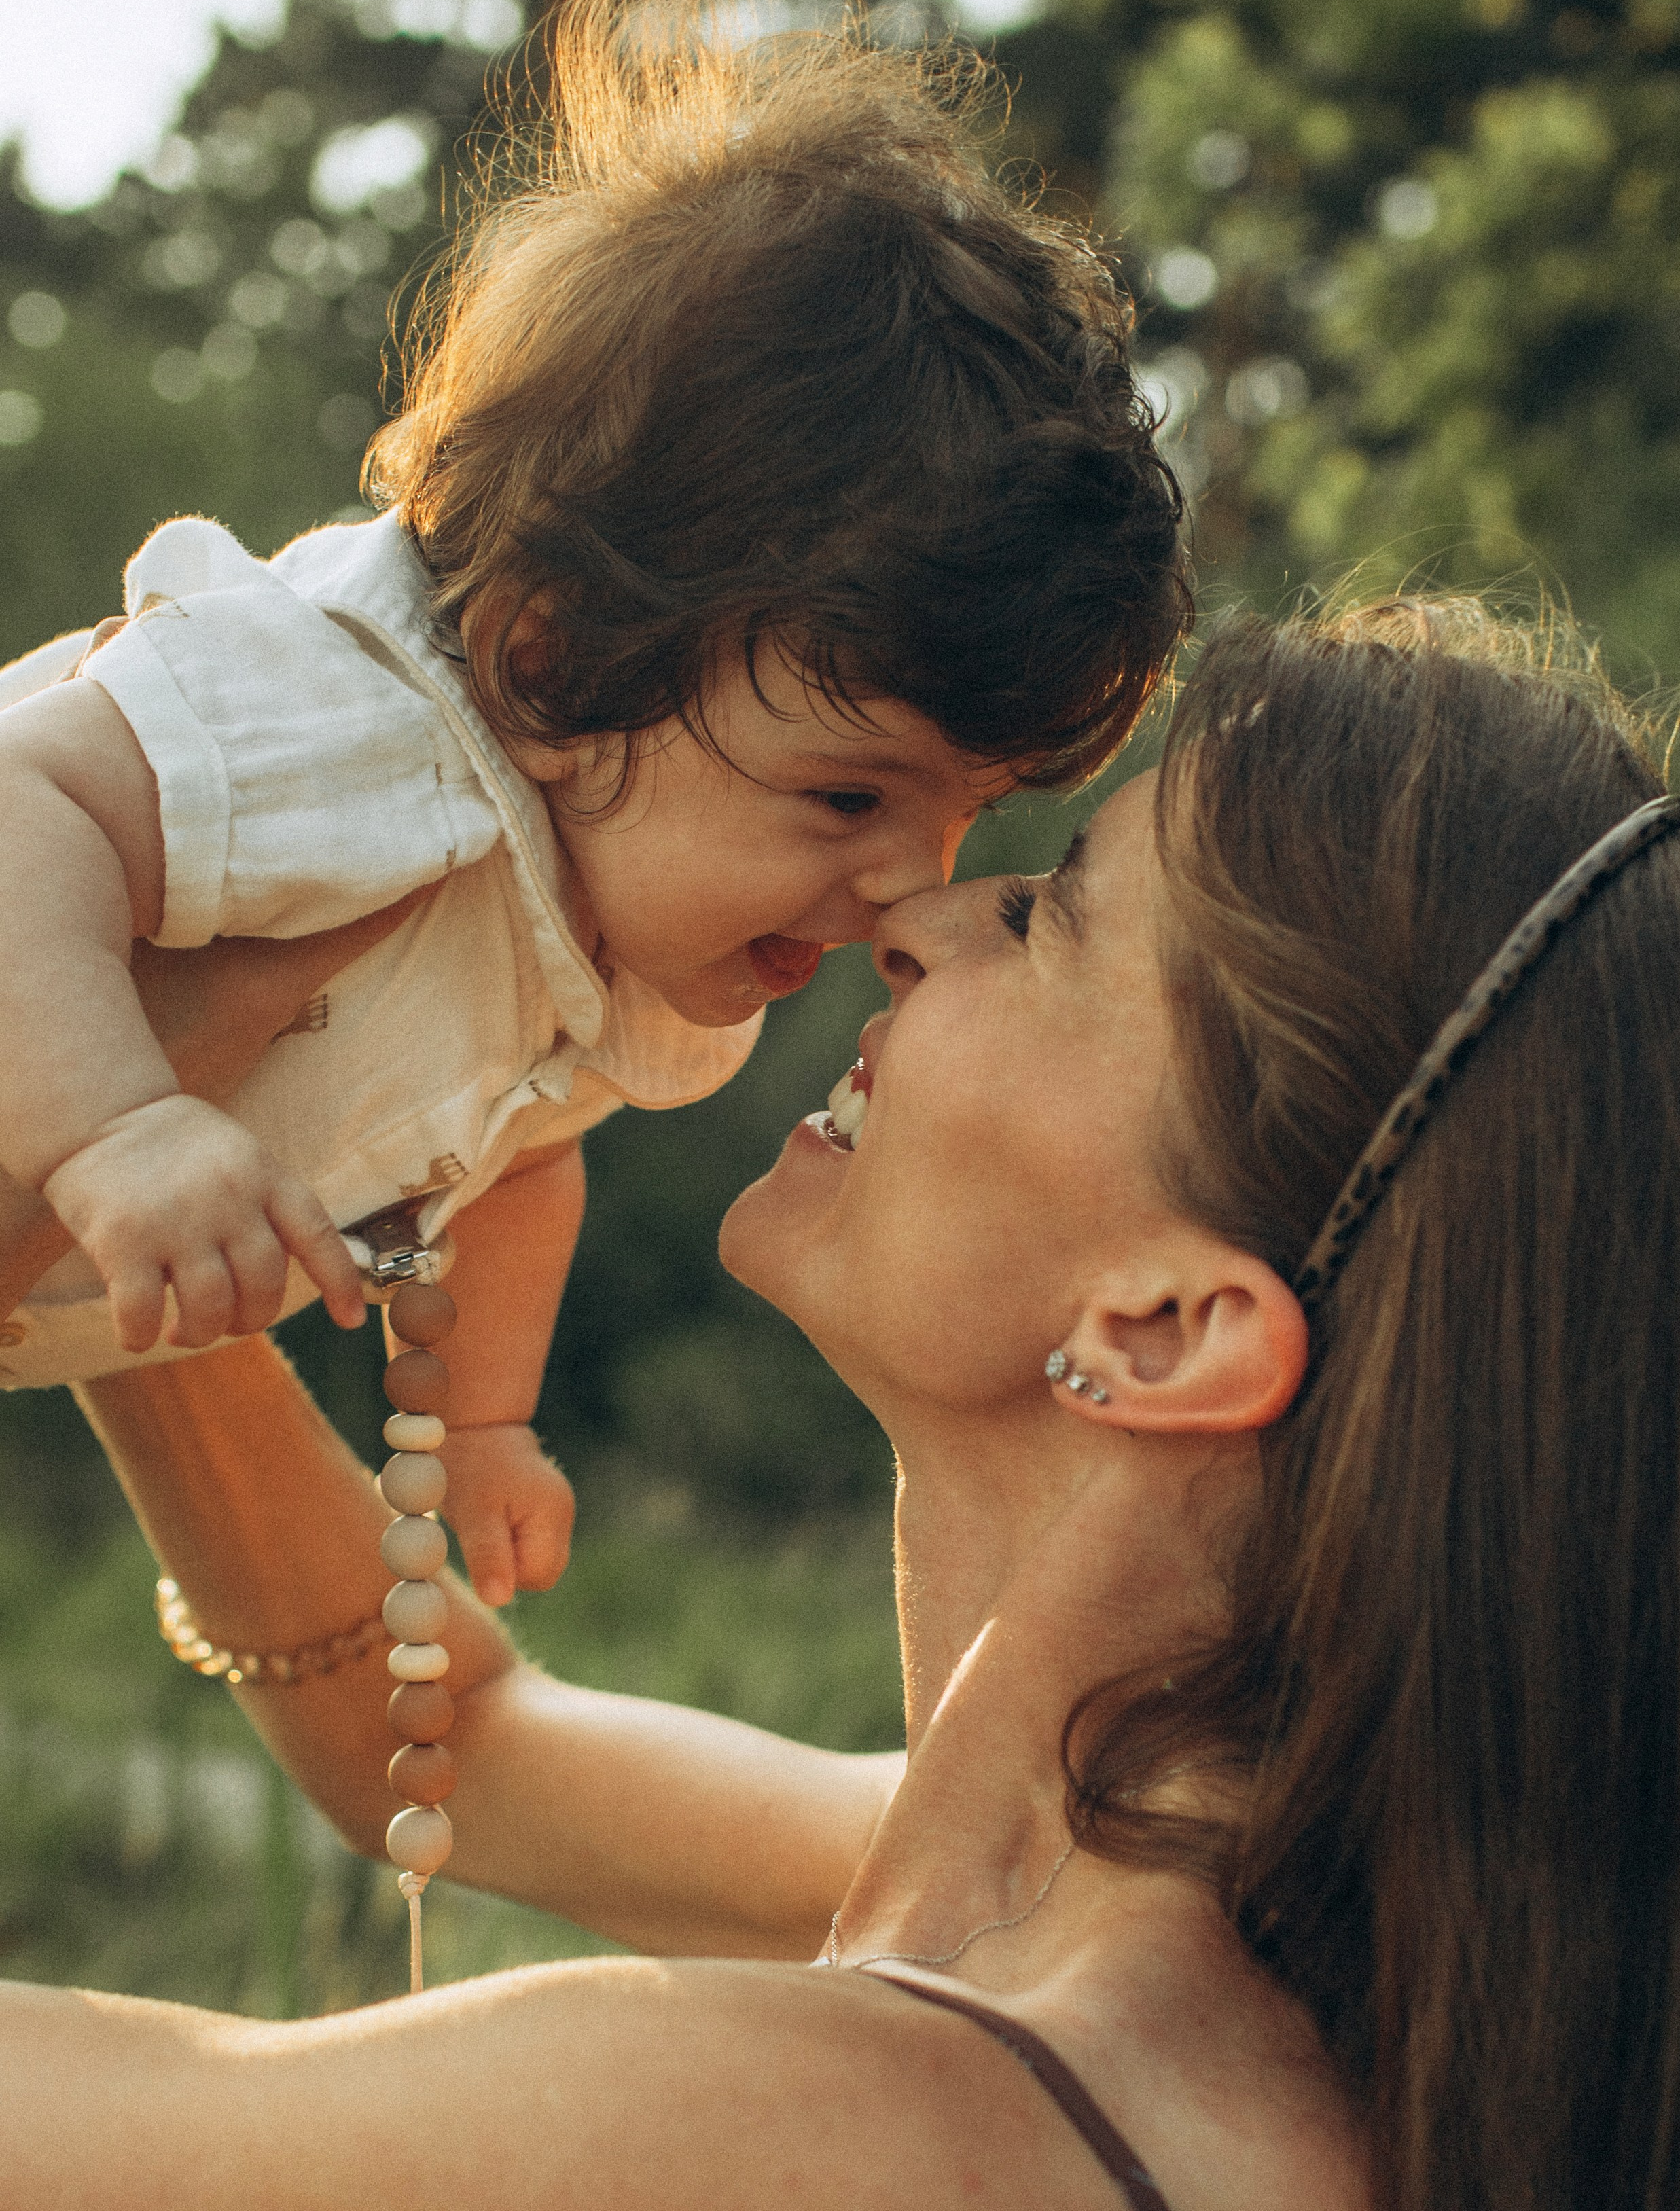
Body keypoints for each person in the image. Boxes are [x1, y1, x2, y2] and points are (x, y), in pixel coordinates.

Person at [5, 584, 1674, 2211]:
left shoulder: (799, 2133)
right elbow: (451, 1748)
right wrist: (130, 1139)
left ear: (1169, 1326)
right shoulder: (1237, 1923)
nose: (913, 921)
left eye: (1045, 916)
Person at [0, 0, 1189, 1604]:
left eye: (963, 813)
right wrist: (117, 1129)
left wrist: (479, 1424)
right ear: (552, 665)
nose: (907, 883)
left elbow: (525, 1157)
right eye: (846, 798)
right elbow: (18, 807)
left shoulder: (622, 953)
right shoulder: (352, 720)